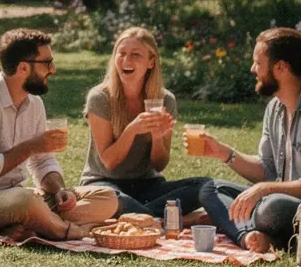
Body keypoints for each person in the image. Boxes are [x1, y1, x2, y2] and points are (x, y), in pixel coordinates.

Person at [193, 28, 301, 252]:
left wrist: (263, 190)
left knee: (269, 207)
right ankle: (250, 237)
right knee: (211, 189)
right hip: (291, 205)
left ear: (281, 68)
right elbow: (267, 168)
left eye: (258, 63)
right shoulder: (276, 107)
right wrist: (224, 153)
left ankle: (246, 228)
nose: (253, 69)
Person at [0, 29, 118, 240]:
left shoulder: (34, 103)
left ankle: (31, 224)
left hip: (18, 198)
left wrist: (58, 191)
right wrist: (30, 147)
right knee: (25, 200)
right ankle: (69, 231)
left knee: (107, 197)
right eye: (47, 63)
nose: (53, 69)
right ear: (23, 68)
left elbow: (42, 162)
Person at [79, 27, 211, 220]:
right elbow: (109, 162)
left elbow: (159, 165)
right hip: (103, 183)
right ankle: (168, 219)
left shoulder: (165, 100)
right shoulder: (100, 98)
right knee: (114, 199)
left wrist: (157, 138)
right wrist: (132, 129)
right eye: (121, 53)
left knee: (204, 185)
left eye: (135, 55)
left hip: (146, 184)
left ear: (151, 62)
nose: (126, 60)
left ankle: (144, 217)